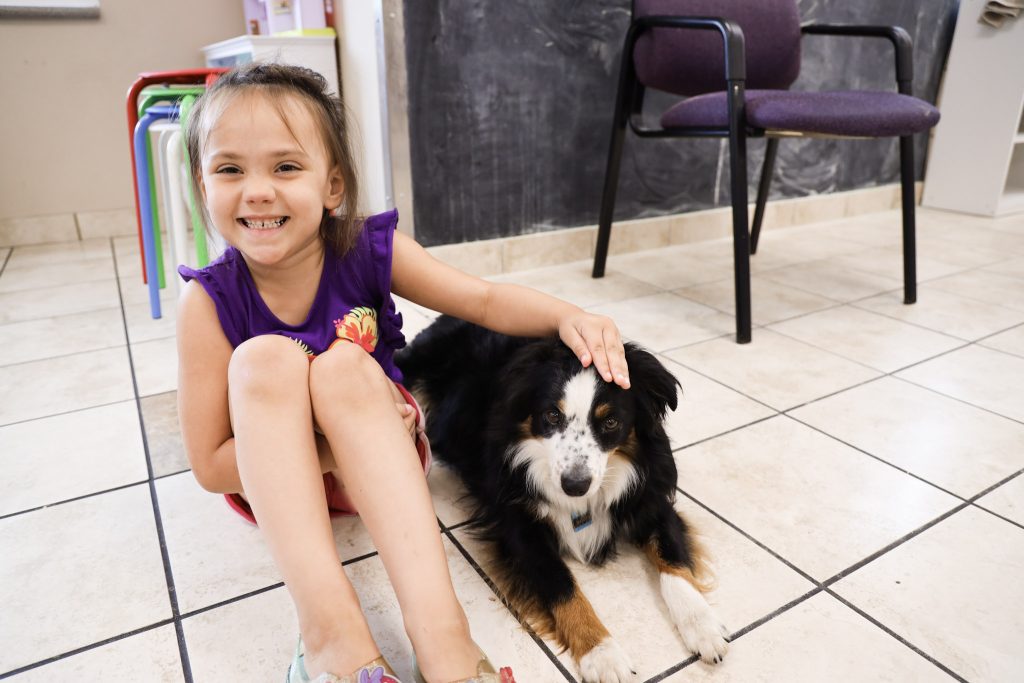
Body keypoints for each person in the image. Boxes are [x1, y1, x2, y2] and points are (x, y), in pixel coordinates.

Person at [175, 62, 631, 683]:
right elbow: (209, 465)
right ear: (203, 187)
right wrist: (328, 450)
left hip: (382, 445)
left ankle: (444, 638)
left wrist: (569, 315)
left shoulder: (364, 248)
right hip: (279, 479)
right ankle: (331, 635)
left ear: (332, 186)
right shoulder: (207, 303)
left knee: (342, 367)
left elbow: (484, 301)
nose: (256, 190)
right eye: (230, 168)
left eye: (285, 166)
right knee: (264, 358)